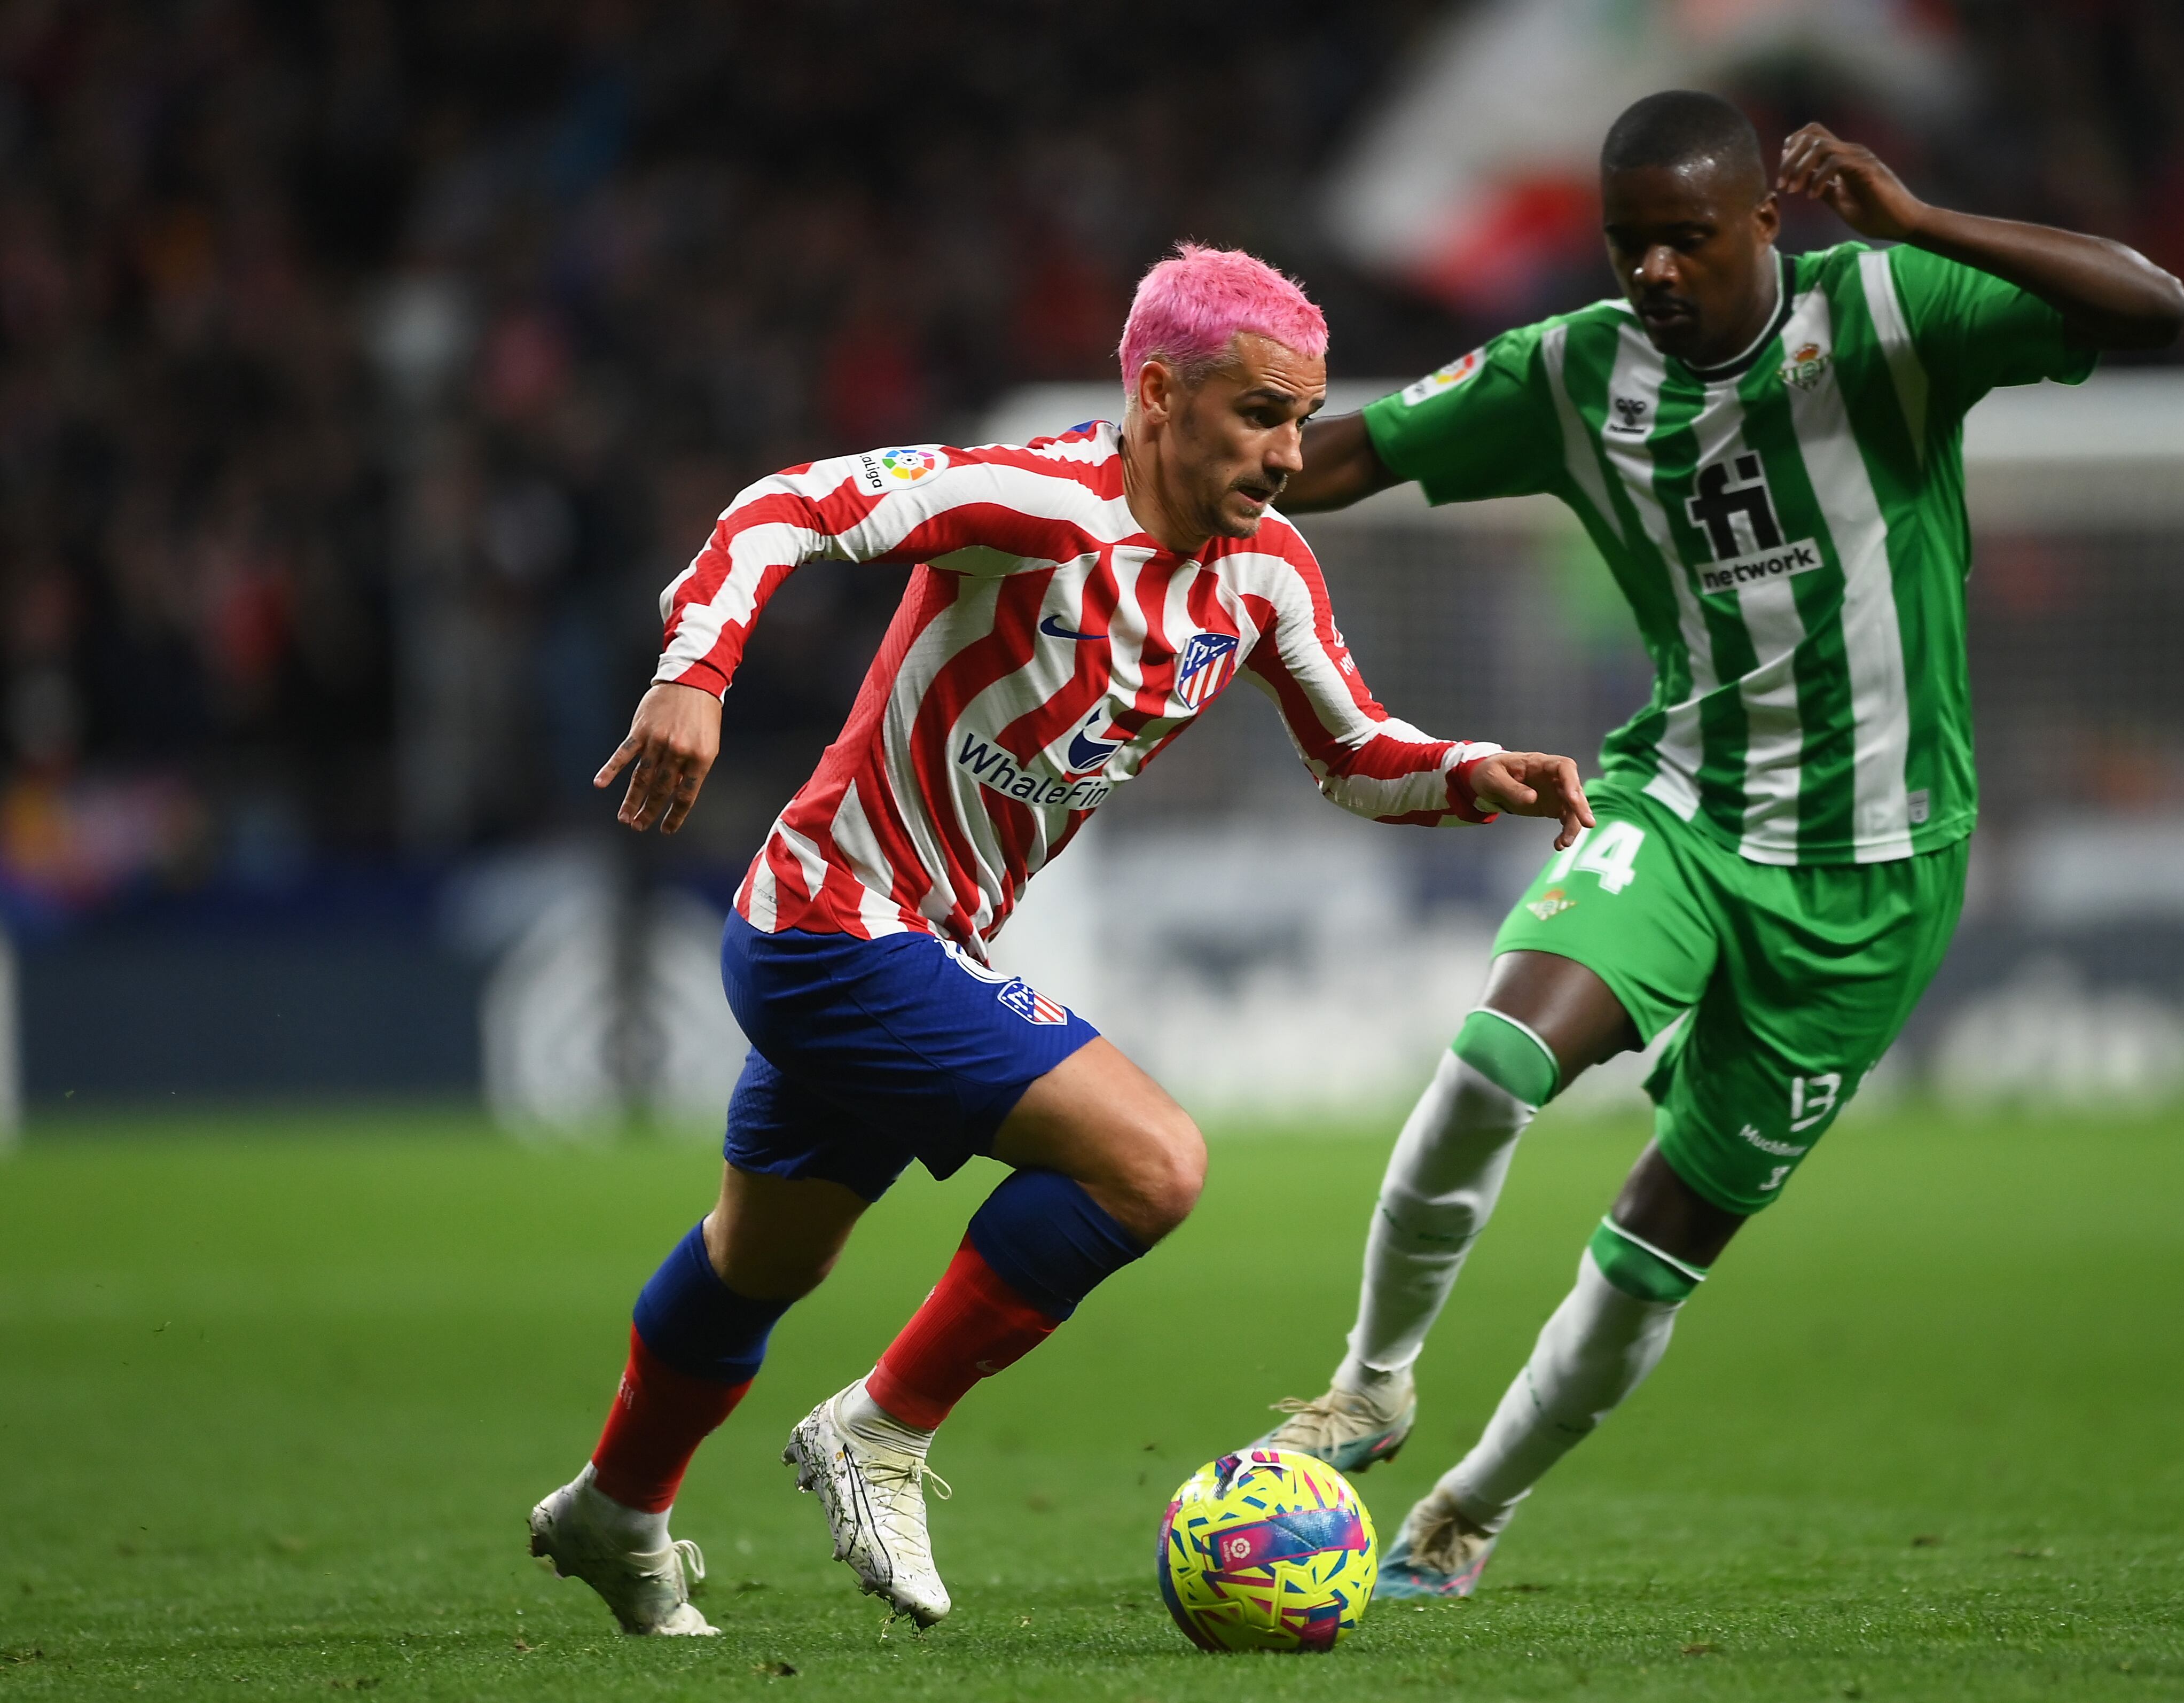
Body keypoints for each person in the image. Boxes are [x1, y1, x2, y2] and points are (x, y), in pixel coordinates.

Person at [526, 243, 1593, 1637]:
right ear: (1159, 391)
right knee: (1153, 1164)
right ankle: (882, 1427)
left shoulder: (1264, 576)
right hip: (835, 922)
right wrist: (695, 673)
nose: (1290, 451)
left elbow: (1351, 753)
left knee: (759, 1259)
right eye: (1261, 413)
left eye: (1301, 417)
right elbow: (785, 506)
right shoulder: (1036, 503)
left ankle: (616, 1505)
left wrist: (1471, 772)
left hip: (925, 938)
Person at [1249, 91, 2184, 1597]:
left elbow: (2155, 307)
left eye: (1688, 240)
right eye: (1631, 245)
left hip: (1875, 881)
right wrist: (1149, 479)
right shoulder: (1574, 372)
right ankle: (1372, 1379)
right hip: (1682, 806)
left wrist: (1924, 219)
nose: (1657, 274)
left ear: (1765, 219)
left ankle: (1470, 1510)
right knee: (1495, 1059)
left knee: (1652, 1246)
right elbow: (1349, 455)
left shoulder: (1887, 309)